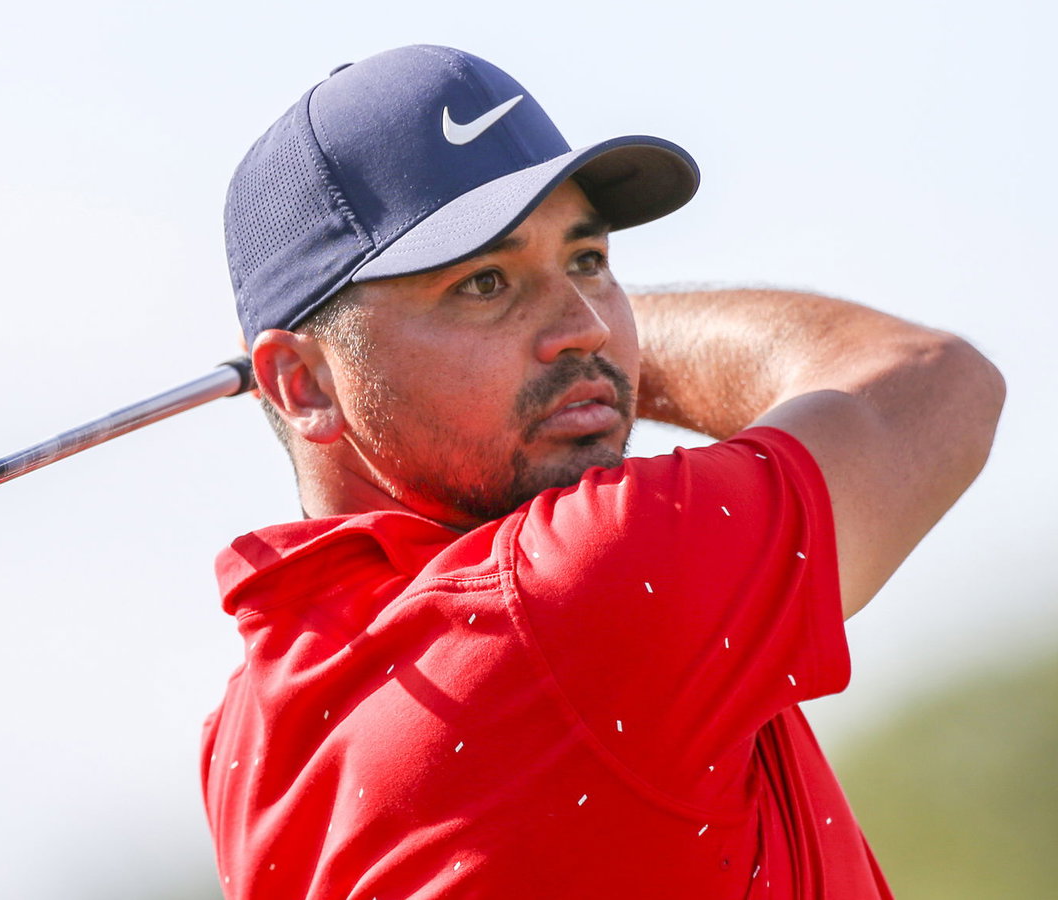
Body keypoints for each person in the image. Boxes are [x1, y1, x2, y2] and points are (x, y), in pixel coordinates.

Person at [201, 45, 1003, 899]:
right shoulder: (581, 587)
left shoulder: (245, 733)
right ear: (304, 382)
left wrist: (552, 360)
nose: (583, 324)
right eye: (482, 283)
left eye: (588, 262)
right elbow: (929, 382)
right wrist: (597, 364)